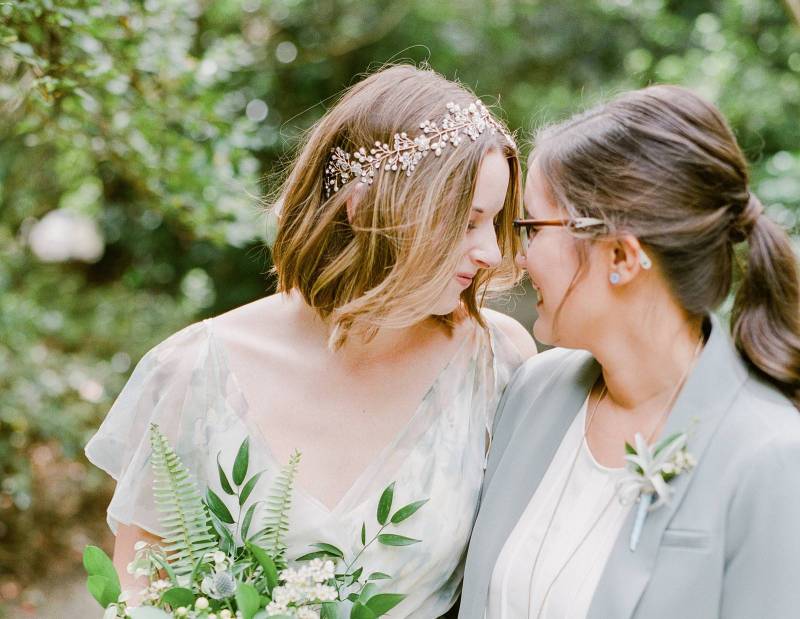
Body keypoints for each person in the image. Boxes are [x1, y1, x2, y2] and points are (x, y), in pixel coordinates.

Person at [85, 64, 537, 616]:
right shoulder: (192, 373)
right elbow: (142, 596)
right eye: (467, 222)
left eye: (495, 224)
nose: (490, 252)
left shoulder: (497, 364)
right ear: (367, 209)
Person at [459, 85, 800, 619]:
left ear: (620, 254)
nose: (517, 257)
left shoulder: (773, 455)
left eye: (531, 228)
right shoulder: (532, 390)